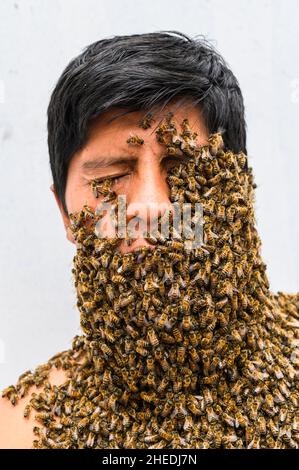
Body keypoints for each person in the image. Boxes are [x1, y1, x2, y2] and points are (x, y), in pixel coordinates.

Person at [1, 31, 297, 449]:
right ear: (65, 215)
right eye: (110, 179)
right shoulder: (17, 434)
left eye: (183, 168)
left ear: (240, 191)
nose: (152, 209)